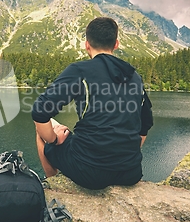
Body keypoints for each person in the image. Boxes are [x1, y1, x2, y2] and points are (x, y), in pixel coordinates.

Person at [32, 17, 153, 190]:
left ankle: (55, 187)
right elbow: (145, 124)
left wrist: (54, 139)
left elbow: (40, 112)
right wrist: (124, 157)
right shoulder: (134, 76)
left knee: (42, 130)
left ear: (87, 44)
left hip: (90, 172)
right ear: (116, 44)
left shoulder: (80, 71)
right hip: (130, 172)